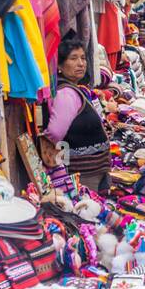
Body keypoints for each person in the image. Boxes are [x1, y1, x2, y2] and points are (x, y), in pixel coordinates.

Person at [41, 39, 112, 193]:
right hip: (82, 173)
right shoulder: (66, 93)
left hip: (89, 171)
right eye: (73, 59)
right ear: (59, 66)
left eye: (83, 58)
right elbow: (54, 133)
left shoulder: (74, 89)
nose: (81, 63)